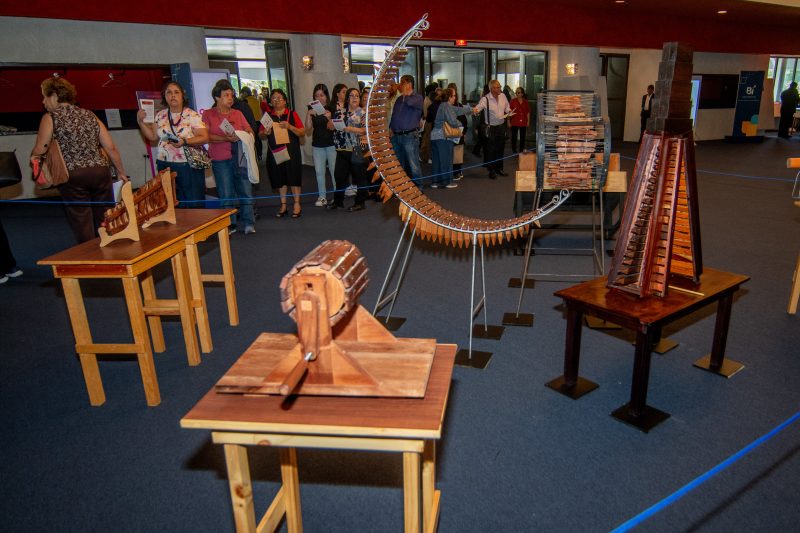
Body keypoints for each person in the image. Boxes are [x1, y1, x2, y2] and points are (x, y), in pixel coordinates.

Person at [31, 76, 128, 243]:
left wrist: (34, 159)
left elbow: (41, 149)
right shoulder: (90, 115)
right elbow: (110, 147)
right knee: (106, 215)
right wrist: (121, 173)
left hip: (72, 176)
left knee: (81, 219)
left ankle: (90, 256)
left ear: (54, 96)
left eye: (44, 97)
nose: (43, 102)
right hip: (100, 172)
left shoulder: (50, 117)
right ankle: (112, 248)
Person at [136, 81, 208, 208]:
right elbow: (152, 137)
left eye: (176, 92)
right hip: (165, 164)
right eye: (169, 92)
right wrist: (141, 122)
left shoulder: (192, 115)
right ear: (165, 97)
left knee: (193, 202)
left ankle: (195, 226)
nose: (172, 95)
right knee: (171, 202)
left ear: (182, 96)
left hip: (188, 165)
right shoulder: (160, 115)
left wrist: (185, 141)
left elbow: (204, 137)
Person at [202, 79, 255, 235]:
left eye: (231, 95)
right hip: (220, 158)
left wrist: (242, 135)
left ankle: (249, 222)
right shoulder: (208, 114)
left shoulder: (238, 114)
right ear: (217, 97)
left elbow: (250, 130)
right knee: (226, 193)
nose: (230, 98)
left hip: (239, 156)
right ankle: (229, 224)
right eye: (226, 95)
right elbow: (206, 136)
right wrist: (226, 138)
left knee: (245, 190)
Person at [262, 88, 305, 218]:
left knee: (294, 177)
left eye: (279, 98)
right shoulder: (267, 117)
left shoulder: (292, 114)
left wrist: (290, 127)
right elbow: (260, 134)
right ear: (270, 102)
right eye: (274, 98)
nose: (276, 100)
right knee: (280, 178)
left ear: (285, 101)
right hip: (275, 151)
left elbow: (302, 132)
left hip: (292, 151)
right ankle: (284, 205)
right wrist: (265, 132)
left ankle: (297, 204)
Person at [328, 88, 368, 211]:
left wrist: (350, 129)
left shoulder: (363, 113)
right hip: (341, 149)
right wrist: (331, 122)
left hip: (356, 149)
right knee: (339, 176)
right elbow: (330, 127)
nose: (355, 98)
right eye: (351, 95)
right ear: (347, 99)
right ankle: (338, 201)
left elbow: (365, 130)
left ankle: (360, 203)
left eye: (357, 95)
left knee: (359, 177)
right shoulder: (340, 112)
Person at [430, 88, 471, 189]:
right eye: (454, 96)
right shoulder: (446, 106)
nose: (455, 98)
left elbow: (459, 110)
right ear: (449, 97)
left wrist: (472, 110)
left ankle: (435, 182)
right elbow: (452, 121)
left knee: (436, 161)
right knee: (446, 160)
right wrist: (460, 126)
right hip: (443, 137)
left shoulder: (444, 106)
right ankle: (446, 182)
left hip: (435, 137)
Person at [389, 75, 424, 187]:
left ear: (409, 84)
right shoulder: (399, 99)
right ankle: (402, 189)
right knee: (399, 165)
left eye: (402, 83)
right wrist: (391, 128)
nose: (399, 85)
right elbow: (394, 115)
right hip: (396, 136)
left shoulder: (417, 98)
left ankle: (418, 189)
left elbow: (409, 103)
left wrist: (404, 94)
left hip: (409, 136)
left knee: (413, 165)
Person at [472, 79, 510, 179]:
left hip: (501, 127)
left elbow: (507, 107)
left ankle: (499, 169)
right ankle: (491, 170)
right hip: (490, 128)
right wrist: (475, 110)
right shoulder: (485, 99)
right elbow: (478, 108)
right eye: (498, 87)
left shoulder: (503, 96)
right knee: (490, 150)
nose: (500, 89)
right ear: (492, 89)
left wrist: (510, 111)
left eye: (500, 86)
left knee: (500, 149)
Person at [305, 83, 336, 207]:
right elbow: (307, 129)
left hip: (331, 144)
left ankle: (336, 195)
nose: (319, 98)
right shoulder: (311, 108)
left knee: (334, 171)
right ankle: (322, 196)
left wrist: (328, 117)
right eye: (316, 95)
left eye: (322, 95)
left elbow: (335, 126)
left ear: (326, 96)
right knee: (319, 172)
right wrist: (309, 115)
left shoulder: (332, 107)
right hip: (317, 145)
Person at [239, 87, 263, 160]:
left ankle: (253, 155)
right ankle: (260, 154)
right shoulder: (256, 99)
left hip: (251, 122)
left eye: (242, 93)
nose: (241, 95)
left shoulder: (245, 101)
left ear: (245, 93)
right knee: (258, 139)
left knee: (253, 139)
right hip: (259, 121)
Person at [509, 87, 531, 153]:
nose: (517, 94)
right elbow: (509, 112)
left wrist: (528, 121)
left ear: (522, 94)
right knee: (514, 137)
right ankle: (514, 150)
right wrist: (508, 121)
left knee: (522, 137)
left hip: (523, 121)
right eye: (516, 92)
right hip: (514, 121)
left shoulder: (526, 102)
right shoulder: (512, 101)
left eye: (518, 92)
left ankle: (521, 150)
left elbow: (528, 112)